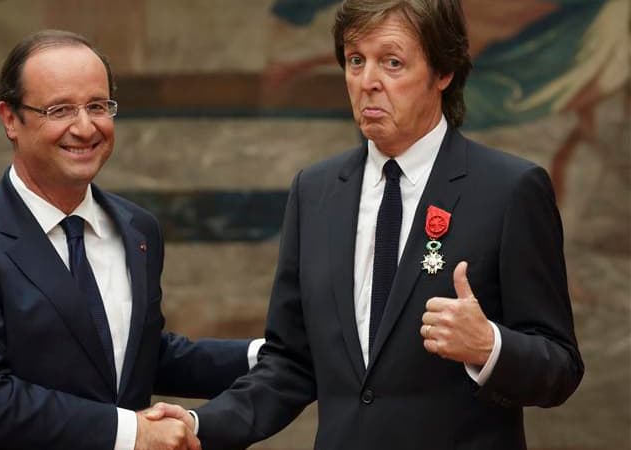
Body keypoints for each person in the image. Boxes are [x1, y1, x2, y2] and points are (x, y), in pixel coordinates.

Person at [149, 1, 584, 448]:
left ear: (443, 72)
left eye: (392, 62)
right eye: (356, 60)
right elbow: (291, 364)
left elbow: (560, 366)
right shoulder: (315, 190)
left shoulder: (509, 190)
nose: (367, 82)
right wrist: (199, 426)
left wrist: (489, 346)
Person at [0, 30, 262, 450]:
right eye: (59, 109)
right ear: (10, 119)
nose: (84, 127)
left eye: (97, 106)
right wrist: (134, 433)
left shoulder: (137, 230)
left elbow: (133, 356)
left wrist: (267, 357)